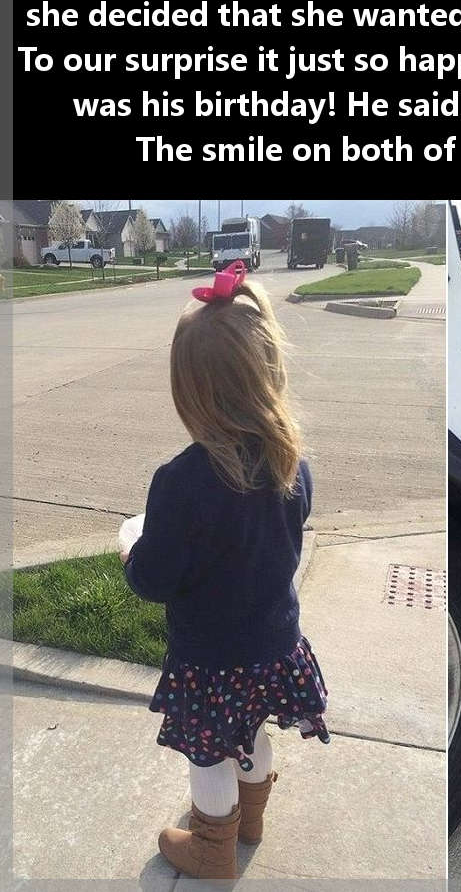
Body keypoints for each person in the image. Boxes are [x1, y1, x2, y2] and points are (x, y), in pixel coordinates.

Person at [120, 262, 330, 878]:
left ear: (192, 391)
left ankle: (213, 848)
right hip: (274, 644)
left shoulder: (180, 482)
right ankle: (251, 817)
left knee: (209, 756)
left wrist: (132, 545)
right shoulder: (294, 465)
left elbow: (156, 579)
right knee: (253, 732)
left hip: (211, 657)